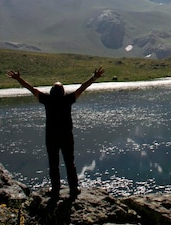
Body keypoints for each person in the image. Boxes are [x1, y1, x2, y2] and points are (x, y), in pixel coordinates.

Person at [6, 67, 105, 200]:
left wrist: (18, 79)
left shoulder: (47, 100)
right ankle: (74, 188)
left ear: (51, 91)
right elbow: (82, 88)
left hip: (51, 136)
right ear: (63, 92)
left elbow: (31, 89)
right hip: (66, 136)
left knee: (53, 163)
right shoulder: (67, 99)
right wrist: (94, 77)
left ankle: (55, 189)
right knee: (70, 162)